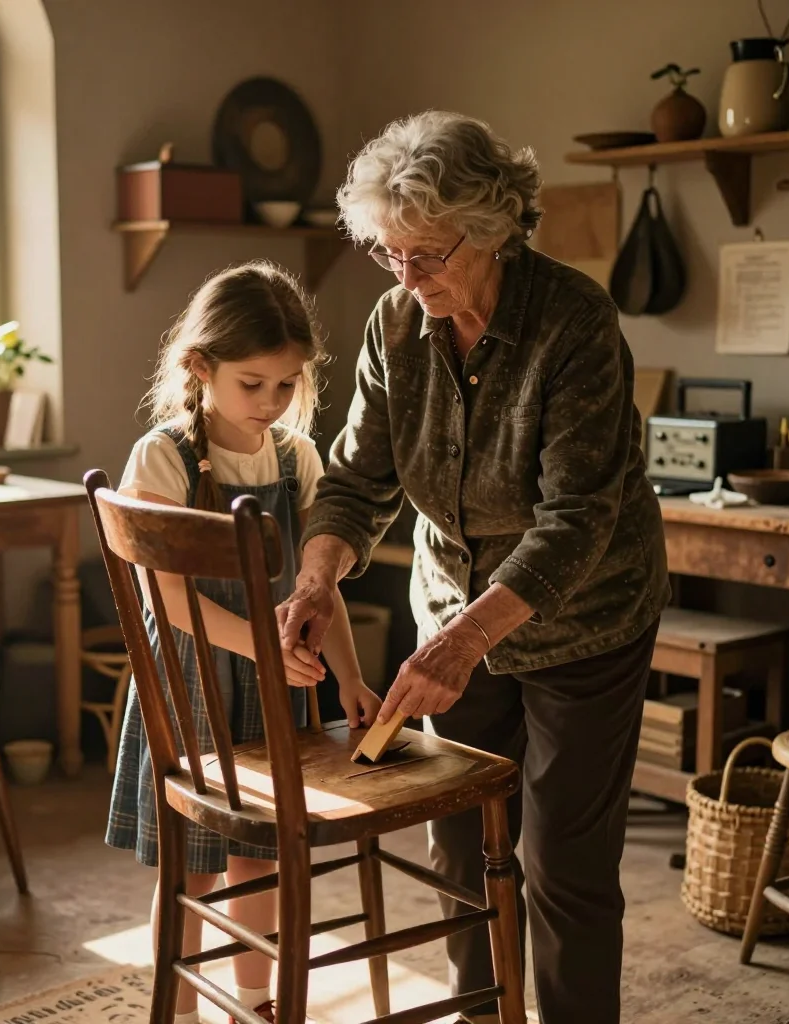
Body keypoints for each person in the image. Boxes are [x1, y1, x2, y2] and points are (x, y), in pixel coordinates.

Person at [277, 112, 671, 1024]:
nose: (409, 279)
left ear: (492, 229)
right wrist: (317, 577)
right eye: (389, 255)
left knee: (562, 866)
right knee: (459, 849)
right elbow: (356, 478)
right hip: (449, 606)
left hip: (584, 619)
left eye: (429, 254)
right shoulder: (393, 323)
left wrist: (464, 641)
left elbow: (577, 520)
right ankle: (482, 1014)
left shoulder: (572, 321)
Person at [107, 260, 381, 1024]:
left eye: (286, 384)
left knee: (258, 857)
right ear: (201, 367)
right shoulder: (161, 457)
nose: (271, 402)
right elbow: (171, 600)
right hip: (194, 682)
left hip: (270, 688)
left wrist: (351, 678)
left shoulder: (296, 461)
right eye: (251, 384)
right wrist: (262, 644)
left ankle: (253, 1006)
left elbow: (320, 590)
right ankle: (185, 1005)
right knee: (194, 869)